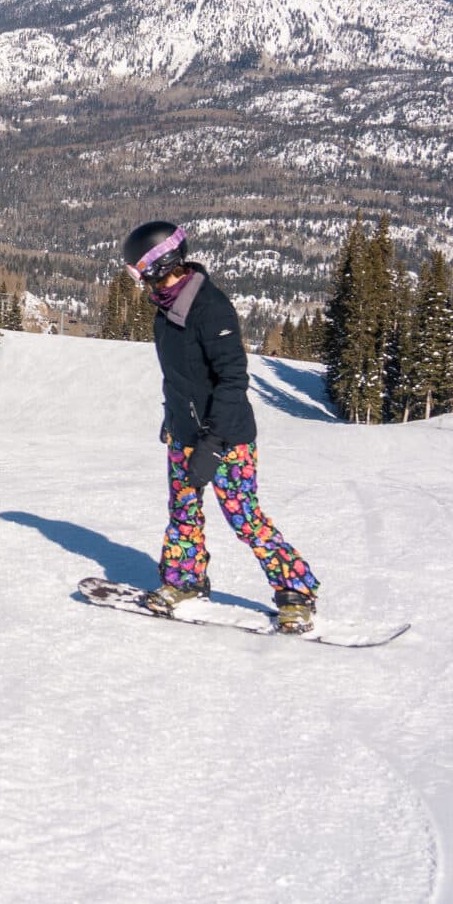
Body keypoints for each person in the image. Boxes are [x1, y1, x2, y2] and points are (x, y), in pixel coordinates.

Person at [123, 219, 321, 633]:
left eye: (141, 271)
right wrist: (173, 420)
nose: (141, 282)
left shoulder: (210, 308)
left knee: (244, 517)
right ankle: (185, 582)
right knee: (183, 512)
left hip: (226, 437)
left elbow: (233, 379)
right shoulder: (165, 310)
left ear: (163, 263)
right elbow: (180, 377)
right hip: (184, 434)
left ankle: (296, 591)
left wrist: (213, 443)